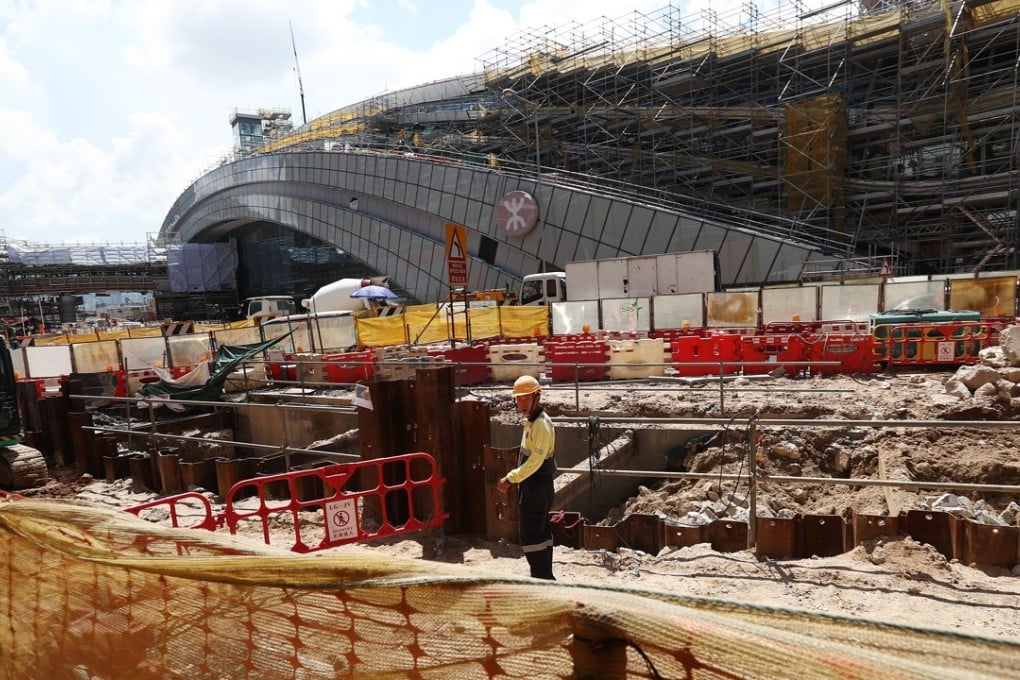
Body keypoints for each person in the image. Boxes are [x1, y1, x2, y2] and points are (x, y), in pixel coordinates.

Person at [497, 375, 556, 580]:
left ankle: (542, 578)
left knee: (531, 534)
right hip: (538, 485)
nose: (521, 403)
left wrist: (511, 477)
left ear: (536, 397)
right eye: (518, 399)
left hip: (536, 486)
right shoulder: (533, 421)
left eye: (525, 398)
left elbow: (535, 462)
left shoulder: (540, 424)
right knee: (540, 531)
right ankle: (545, 575)